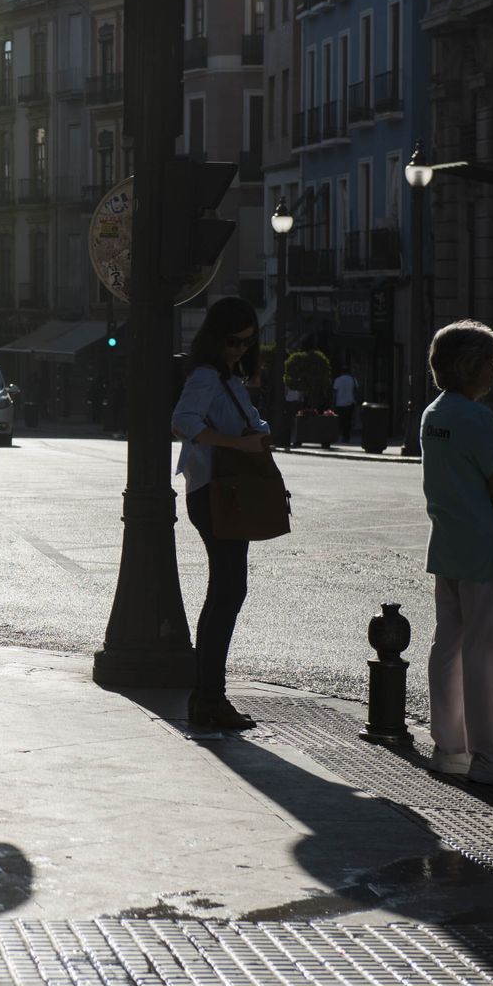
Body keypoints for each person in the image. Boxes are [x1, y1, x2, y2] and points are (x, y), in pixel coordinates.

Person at [421, 320, 493, 789]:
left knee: (448, 647)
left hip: (447, 546)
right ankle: (491, 756)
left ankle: (449, 747)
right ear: (471, 366)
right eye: (491, 363)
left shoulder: (433, 414)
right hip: (485, 549)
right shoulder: (477, 418)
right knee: (489, 654)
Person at [171, 296, 274, 731]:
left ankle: (208, 694)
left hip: (226, 490)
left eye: (248, 343)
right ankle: (209, 695)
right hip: (216, 491)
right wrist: (239, 443)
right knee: (228, 592)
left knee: (227, 591)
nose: (240, 350)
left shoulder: (226, 377)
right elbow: (183, 421)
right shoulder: (206, 377)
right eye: (232, 341)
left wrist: (255, 432)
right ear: (215, 338)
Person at [332, 366, 358, 443]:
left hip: (340, 403)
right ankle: (347, 435)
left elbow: (335, 392)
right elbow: (356, 390)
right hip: (350, 402)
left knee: (342, 420)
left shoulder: (338, 380)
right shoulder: (353, 379)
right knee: (348, 420)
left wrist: (334, 402)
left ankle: (343, 435)